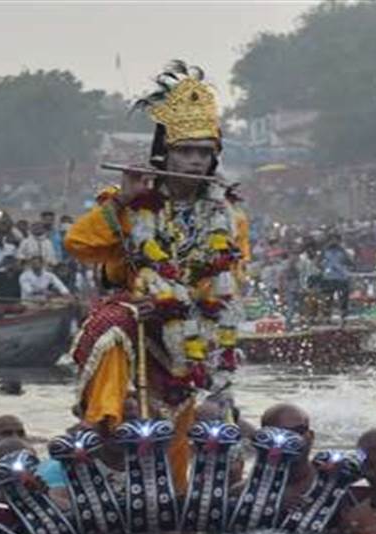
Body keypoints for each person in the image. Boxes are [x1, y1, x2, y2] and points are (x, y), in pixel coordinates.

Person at [64, 61, 249, 492]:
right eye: (186, 151)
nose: (195, 161)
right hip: (137, 314)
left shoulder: (229, 215)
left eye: (203, 153)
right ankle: (103, 424)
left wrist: (190, 305)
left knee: (182, 415)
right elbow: (78, 244)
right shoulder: (131, 203)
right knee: (113, 326)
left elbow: (231, 277)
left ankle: (178, 496)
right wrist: (123, 202)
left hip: (195, 326)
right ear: (165, 153)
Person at [320, 234, 353, 320]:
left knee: (343, 297)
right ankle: (327, 316)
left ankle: (343, 315)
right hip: (329, 277)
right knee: (328, 297)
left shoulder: (342, 251)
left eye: (336, 240)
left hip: (341, 277)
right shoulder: (325, 251)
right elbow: (318, 262)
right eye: (332, 240)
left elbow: (349, 262)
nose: (334, 242)